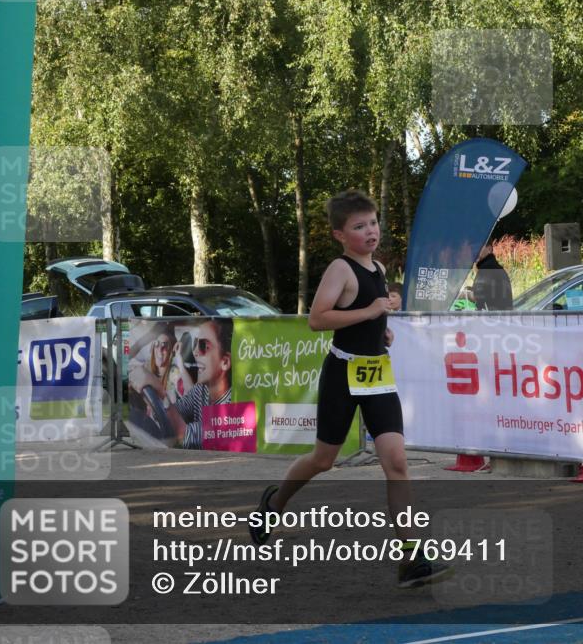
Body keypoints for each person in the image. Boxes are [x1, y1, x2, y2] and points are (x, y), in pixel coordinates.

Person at [249, 190, 452, 589]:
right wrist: (373, 312)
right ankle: (274, 504)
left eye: (373, 222)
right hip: (342, 374)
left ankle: (411, 558)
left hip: (376, 374)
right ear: (339, 234)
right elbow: (317, 319)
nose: (370, 231)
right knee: (323, 460)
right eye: (359, 227)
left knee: (396, 462)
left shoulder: (376, 267)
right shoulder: (339, 269)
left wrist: (382, 330)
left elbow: (362, 318)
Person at [163, 318, 233, 449]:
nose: (195, 352)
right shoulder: (201, 390)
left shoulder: (233, 403)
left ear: (225, 362)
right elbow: (176, 412)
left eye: (203, 346)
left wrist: (157, 390)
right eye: (195, 344)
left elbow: (182, 434)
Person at [472, 242, 513, 311]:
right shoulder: (493, 266)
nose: (476, 249)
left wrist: (463, 295)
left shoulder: (487, 268)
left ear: (489, 249)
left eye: (481, 246)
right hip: (500, 317)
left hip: (494, 318)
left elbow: (478, 297)